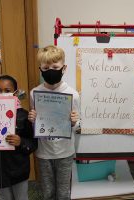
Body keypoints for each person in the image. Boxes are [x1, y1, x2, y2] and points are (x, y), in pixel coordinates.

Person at [28, 45, 80, 200]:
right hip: (44, 151)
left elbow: (77, 124)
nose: (50, 70)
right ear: (40, 69)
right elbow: (36, 125)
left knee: (63, 192)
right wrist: (32, 120)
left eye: (55, 67)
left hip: (65, 151)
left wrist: (74, 122)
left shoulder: (72, 94)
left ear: (63, 68)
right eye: (46, 67)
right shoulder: (34, 93)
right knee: (48, 191)